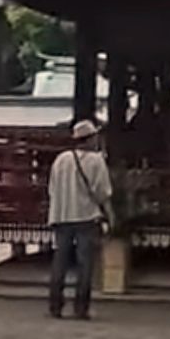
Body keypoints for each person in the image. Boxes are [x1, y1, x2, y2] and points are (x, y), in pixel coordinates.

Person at [47, 120, 112, 320]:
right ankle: (80, 308)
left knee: (60, 261)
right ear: (91, 138)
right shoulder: (96, 161)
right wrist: (110, 214)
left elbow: (51, 189)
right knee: (85, 264)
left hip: (61, 215)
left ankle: (55, 305)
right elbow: (103, 192)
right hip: (86, 216)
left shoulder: (61, 159)